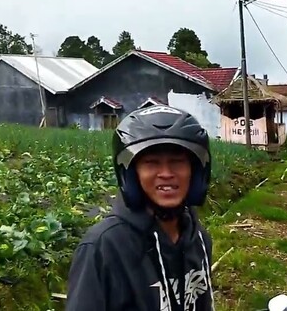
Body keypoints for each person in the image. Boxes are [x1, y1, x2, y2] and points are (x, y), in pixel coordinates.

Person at [65, 104, 215, 311]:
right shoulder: (103, 248)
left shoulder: (197, 239)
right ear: (131, 175)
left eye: (178, 162)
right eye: (152, 163)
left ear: (196, 171)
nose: (166, 173)